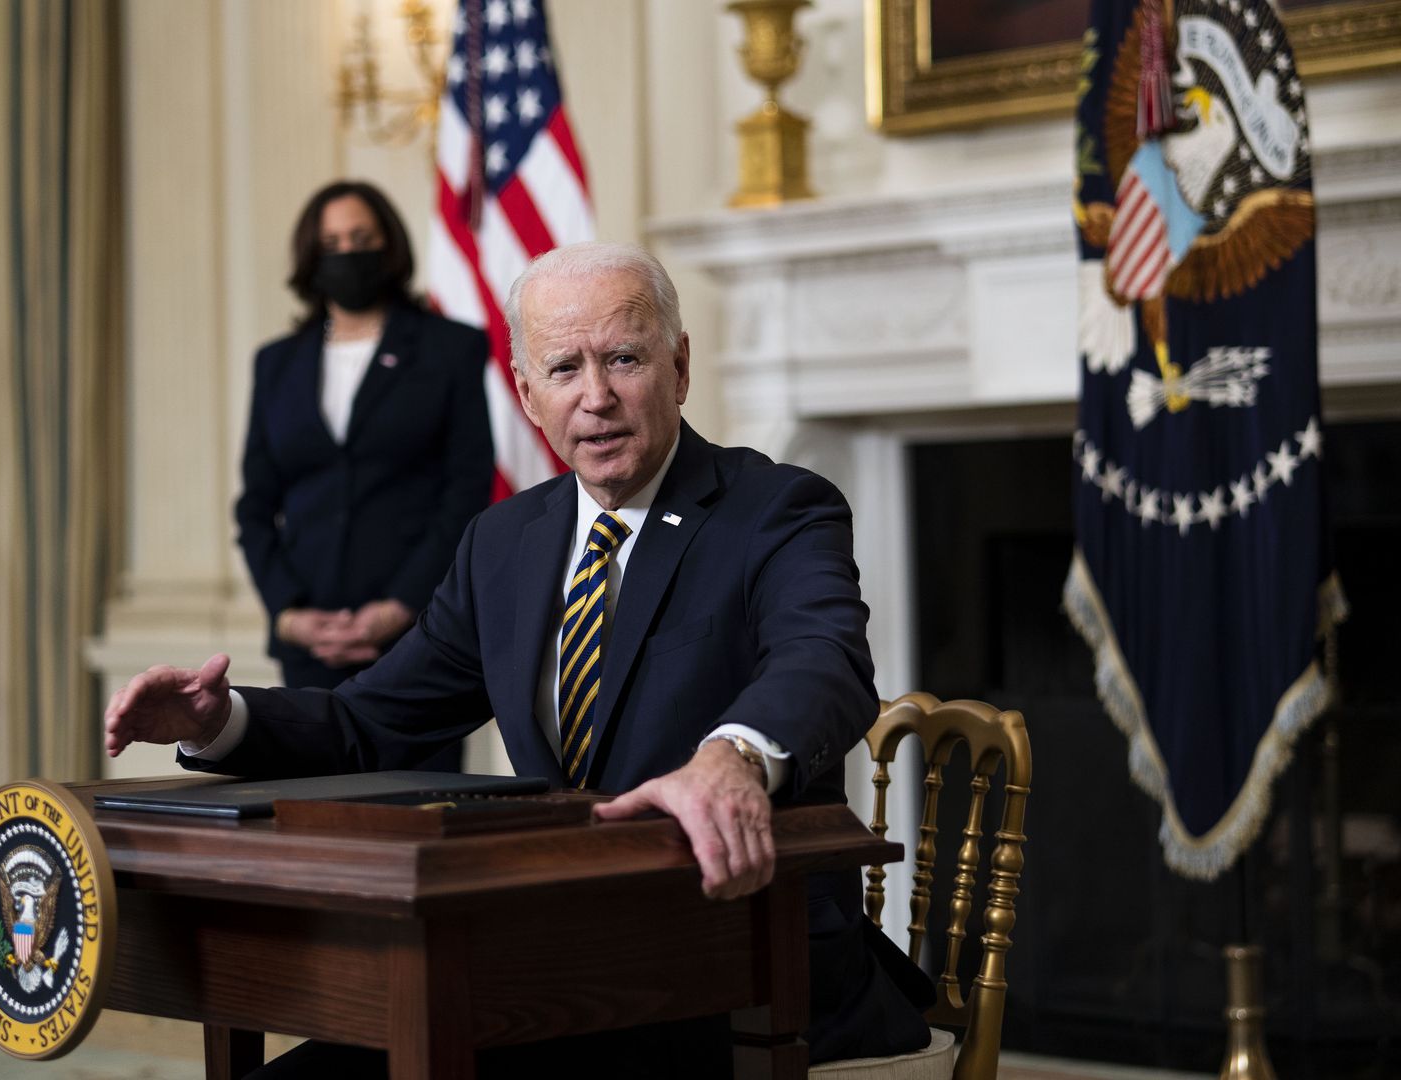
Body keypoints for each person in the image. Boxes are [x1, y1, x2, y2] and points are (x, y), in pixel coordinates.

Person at [106, 242, 931, 1077]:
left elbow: (823, 660)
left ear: (679, 367)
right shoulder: (504, 543)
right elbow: (369, 722)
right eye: (565, 368)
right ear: (527, 392)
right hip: (558, 963)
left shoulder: (776, 508)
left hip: (750, 966)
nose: (597, 397)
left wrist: (735, 756)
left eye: (624, 359)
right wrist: (222, 721)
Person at [234, 180, 492, 771]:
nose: (346, 253)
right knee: (310, 822)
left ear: (389, 247)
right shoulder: (277, 363)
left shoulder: (449, 348)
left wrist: (401, 607)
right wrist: (290, 613)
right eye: (331, 243)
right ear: (310, 257)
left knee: (416, 818)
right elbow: (256, 507)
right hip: (309, 643)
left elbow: (465, 493)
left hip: (416, 636)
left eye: (361, 239)